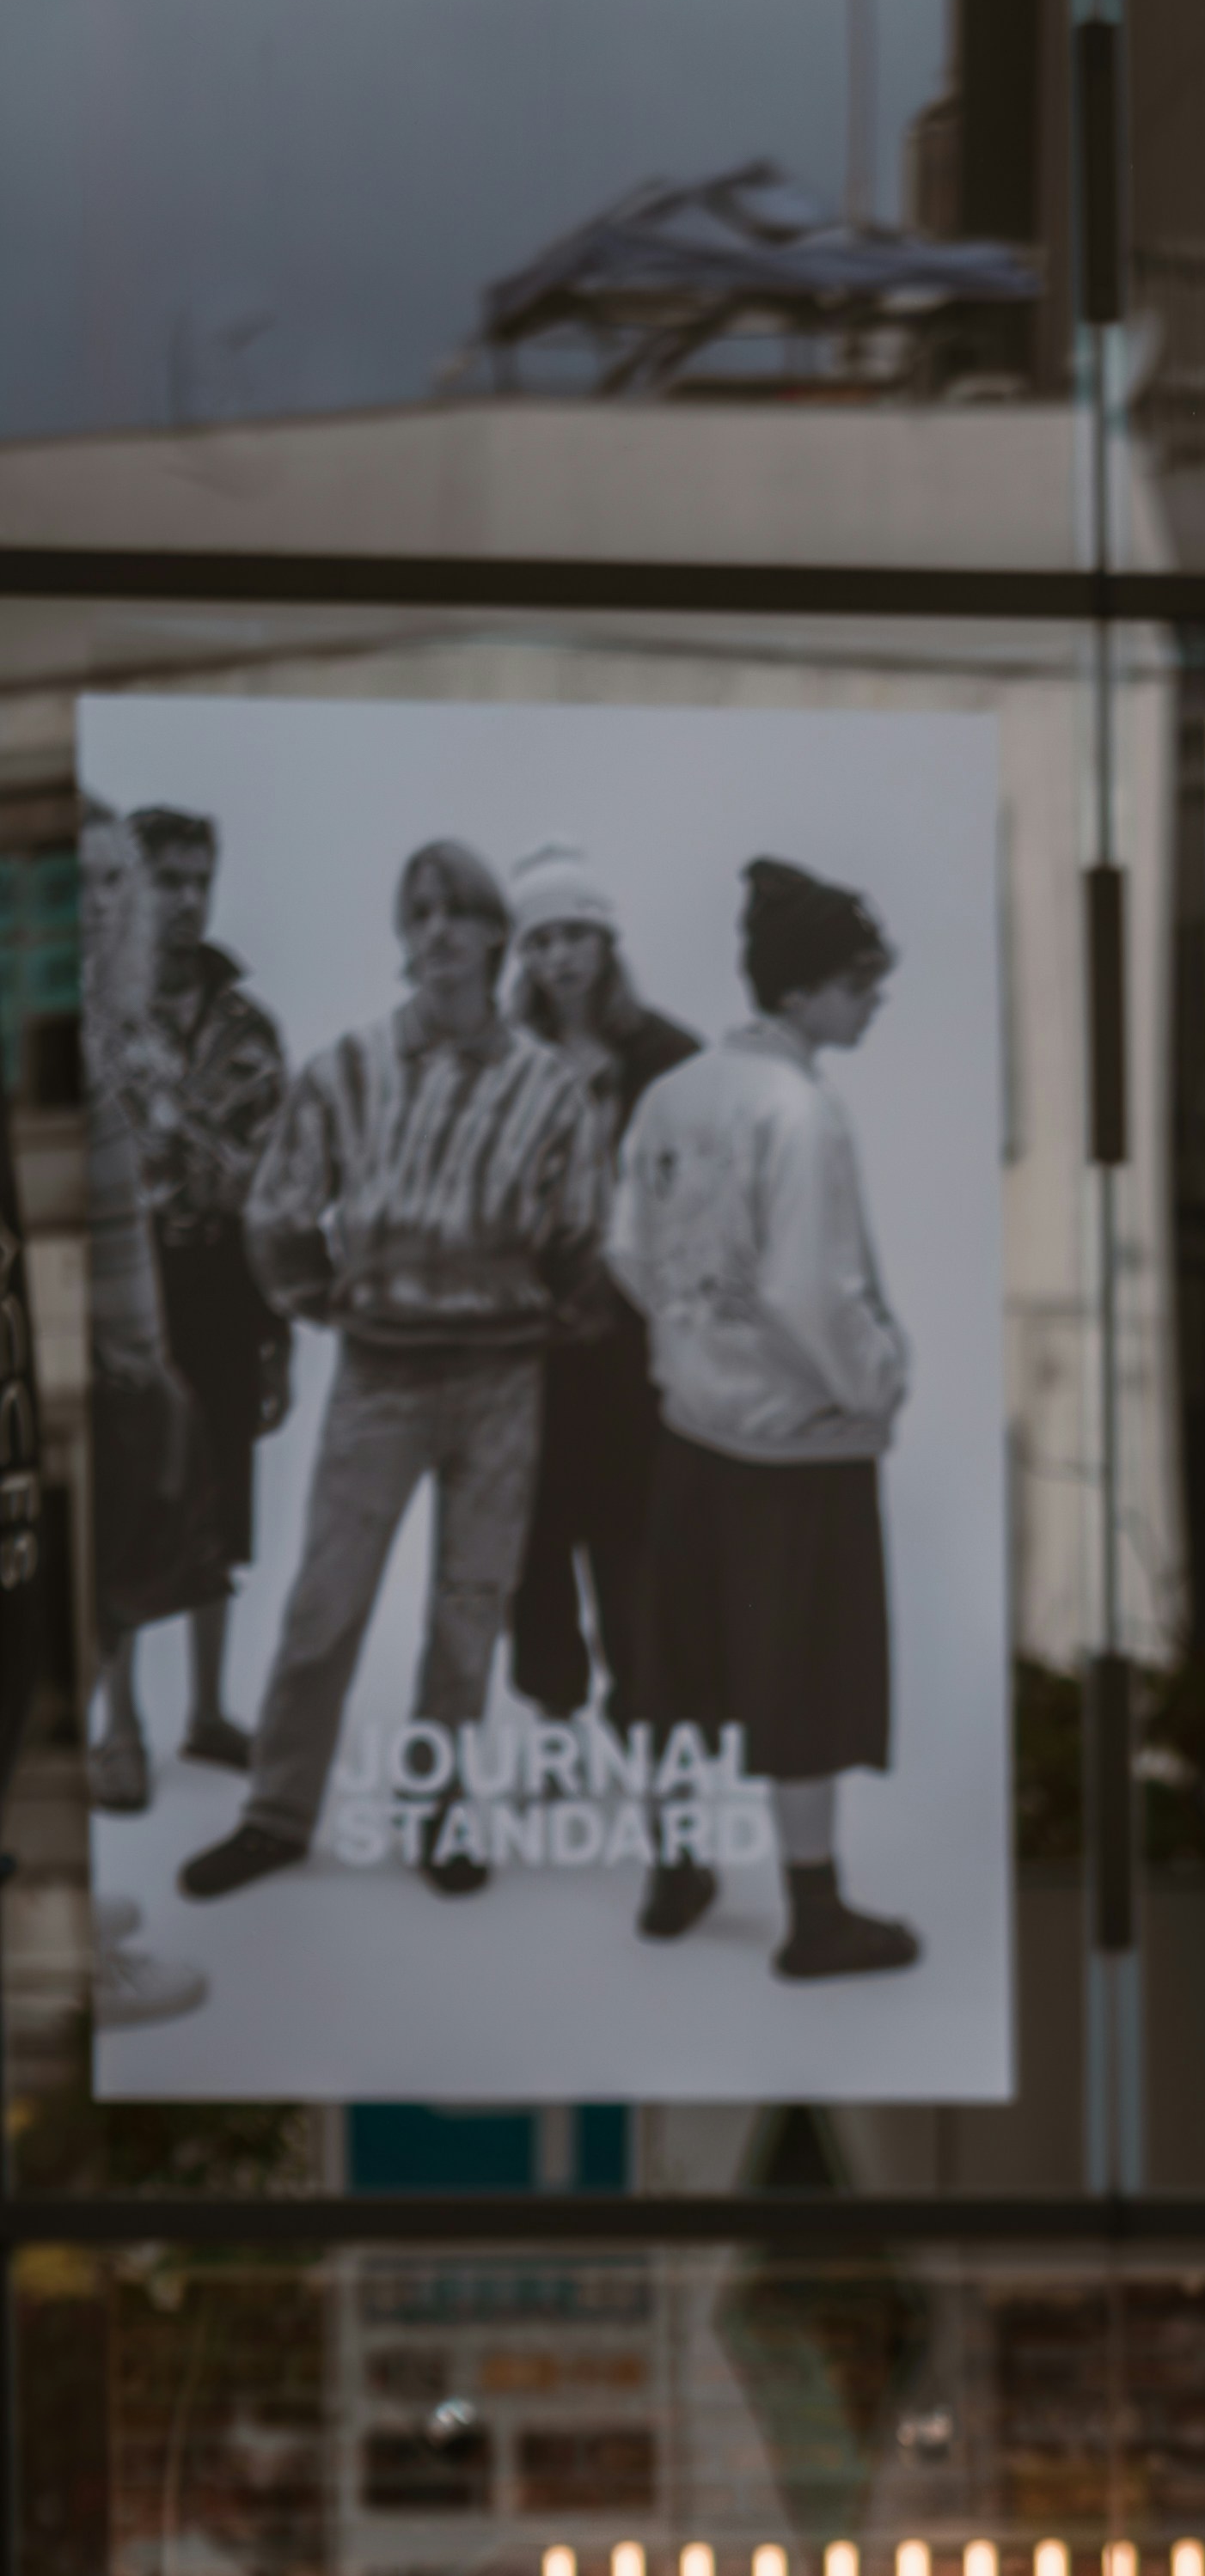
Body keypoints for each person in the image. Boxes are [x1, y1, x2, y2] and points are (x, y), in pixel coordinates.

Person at [182, 838, 607, 1911]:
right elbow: (278, 1212)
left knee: (471, 1608)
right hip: (379, 1380)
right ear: (402, 936)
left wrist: (514, 1311)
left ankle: (438, 1812)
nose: (437, 935)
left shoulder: (551, 1092)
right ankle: (276, 1815)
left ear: (494, 935)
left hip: (504, 1382)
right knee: (326, 1603)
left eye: (457, 914)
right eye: (417, 915)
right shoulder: (346, 1069)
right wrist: (334, 1303)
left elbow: (578, 1238)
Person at [607, 854, 919, 1981]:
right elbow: (812, 1292)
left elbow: (628, 1251)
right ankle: (816, 1916)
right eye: (857, 976)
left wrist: (696, 1340)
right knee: (807, 1678)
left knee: (676, 1665)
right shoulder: (803, 1115)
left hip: (692, 1435)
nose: (874, 993)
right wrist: (878, 1377)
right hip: (799, 1446)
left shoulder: (674, 1094)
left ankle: (673, 1872)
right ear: (799, 992)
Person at [90, 801, 286, 1806]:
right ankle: (117, 1725)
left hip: (222, 1282)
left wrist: (276, 1334)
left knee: (222, 1500)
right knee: (129, 1492)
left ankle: (207, 1710)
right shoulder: (102, 1013)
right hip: (130, 1277)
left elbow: (277, 1184)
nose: (185, 898)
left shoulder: (249, 1023)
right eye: (165, 878)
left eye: (198, 878)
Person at [499, 843, 695, 1743]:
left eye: (575, 934)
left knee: (633, 1540)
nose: (559, 958)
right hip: (526, 1341)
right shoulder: (498, 1060)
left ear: (607, 941)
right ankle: (554, 1719)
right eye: (539, 941)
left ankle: (646, 1715)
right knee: (533, 1538)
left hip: (634, 1342)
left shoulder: (668, 1055)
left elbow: (704, 1201)